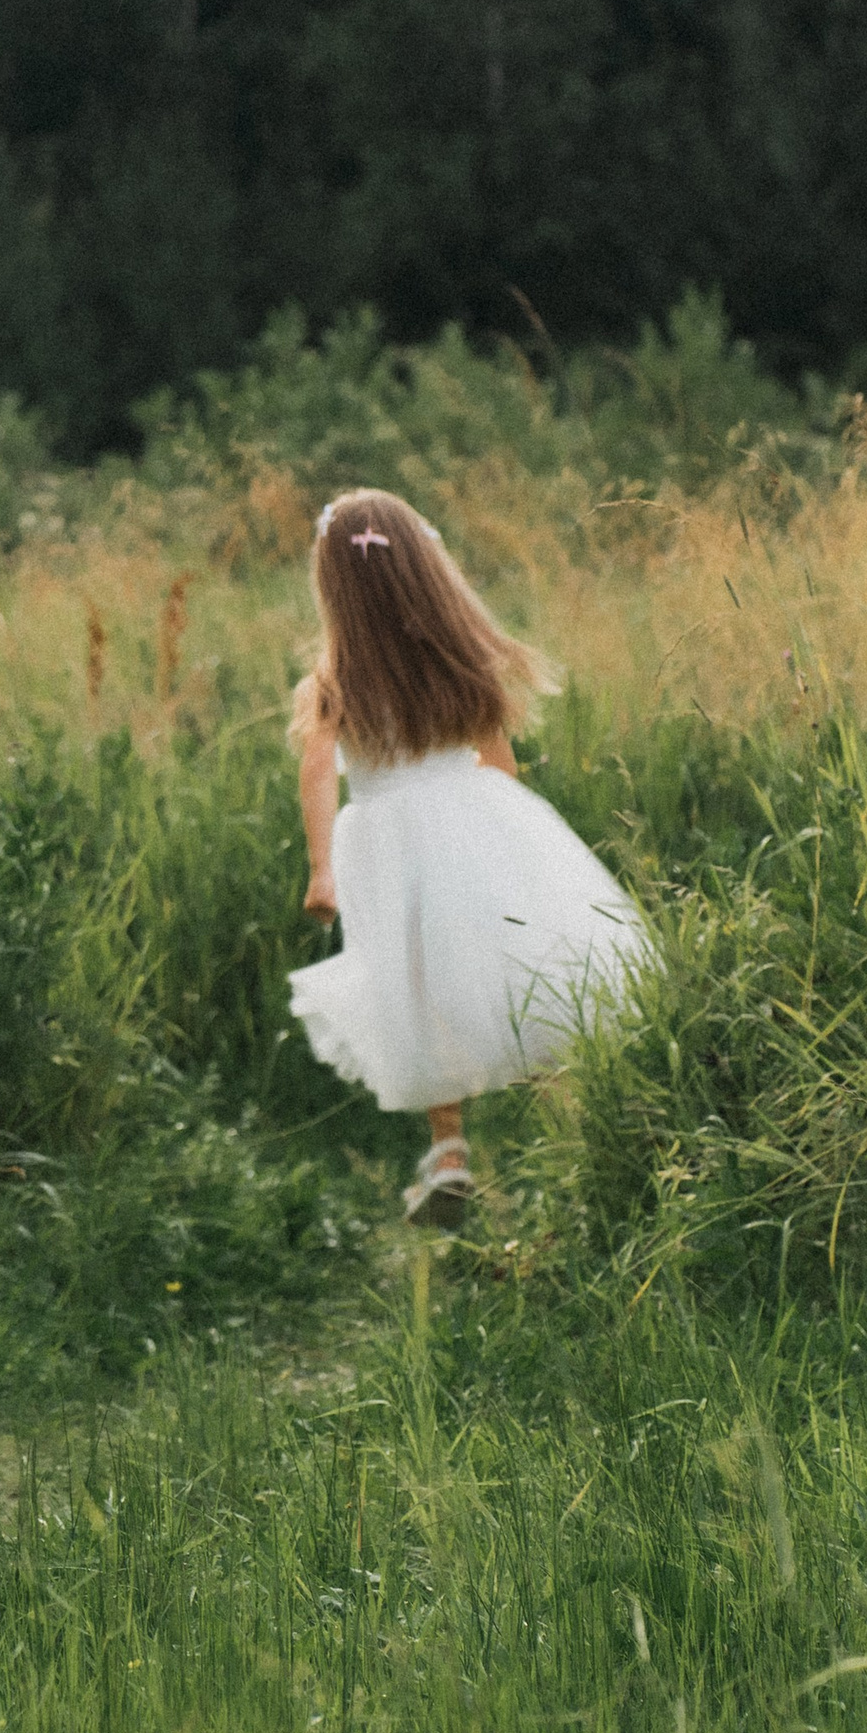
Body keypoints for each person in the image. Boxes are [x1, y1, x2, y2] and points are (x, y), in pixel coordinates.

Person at [287, 490, 641, 1226]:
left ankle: (448, 1152)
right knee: (527, 977)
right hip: (479, 823)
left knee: (416, 989)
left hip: (385, 845)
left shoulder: (334, 680)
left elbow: (318, 772)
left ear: (333, 586)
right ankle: (584, 1143)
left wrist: (322, 868)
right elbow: (501, 764)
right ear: (423, 567)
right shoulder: (456, 662)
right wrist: (490, 828)